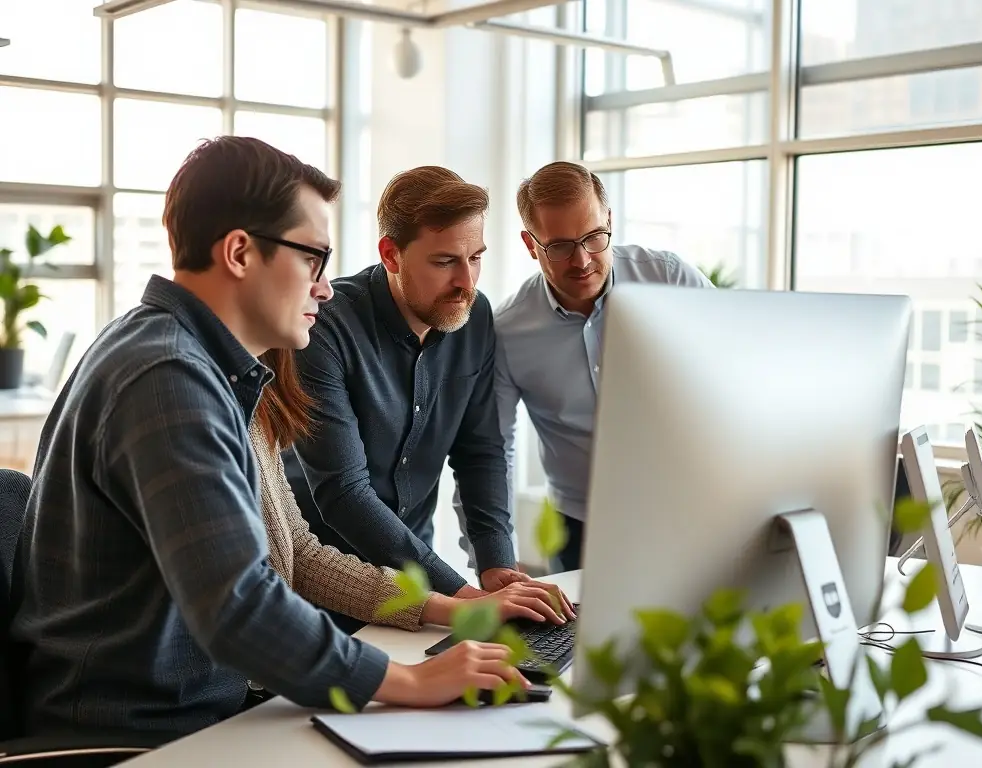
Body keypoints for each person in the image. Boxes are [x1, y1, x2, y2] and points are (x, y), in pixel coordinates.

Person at [10, 137, 529, 743]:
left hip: (204, 708)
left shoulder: (216, 369)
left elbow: (298, 557)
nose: (326, 287)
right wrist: (411, 683)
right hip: (138, 736)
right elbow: (239, 608)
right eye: (313, 258)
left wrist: (452, 608)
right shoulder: (166, 378)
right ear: (239, 253)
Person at [292, 165, 573, 617]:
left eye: (476, 257)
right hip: (323, 580)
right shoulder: (324, 326)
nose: (466, 281)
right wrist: (459, 593)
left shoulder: (473, 315)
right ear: (391, 254)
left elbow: (480, 450)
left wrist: (496, 564)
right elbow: (344, 493)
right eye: (445, 262)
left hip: (417, 584)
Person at [458, 160, 713, 573]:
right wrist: (491, 559)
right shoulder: (507, 330)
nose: (581, 261)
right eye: (558, 246)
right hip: (579, 529)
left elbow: (735, 379)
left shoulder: (671, 281)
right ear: (530, 244)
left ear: (609, 220)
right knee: (581, 640)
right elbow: (490, 451)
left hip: (688, 512)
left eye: (594, 237)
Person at [252, 346, 572, 632]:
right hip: (269, 657)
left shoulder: (256, 399)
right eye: (312, 276)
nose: (322, 291)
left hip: (386, 587)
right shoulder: (212, 406)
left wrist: (468, 599)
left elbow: (301, 555)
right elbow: (345, 496)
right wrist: (461, 601)